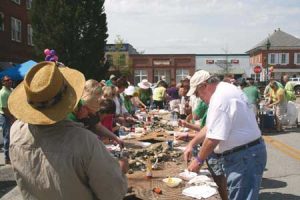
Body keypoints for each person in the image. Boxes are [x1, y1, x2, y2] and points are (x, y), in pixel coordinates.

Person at [8, 61, 128, 199]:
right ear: (69, 97)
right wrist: (120, 169)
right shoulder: (84, 142)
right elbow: (112, 194)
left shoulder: (16, 131)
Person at [187, 70, 267, 200]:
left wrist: (198, 161)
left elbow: (214, 137)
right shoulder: (224, 89)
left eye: (197, 93)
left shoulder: (220, 98)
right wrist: (192, 144)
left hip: (245, 157)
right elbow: (209, 127)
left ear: (204, 86)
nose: (198, 97)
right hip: (245, 154)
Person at [0, 76, 14, 164]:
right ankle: (6, 158)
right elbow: (4, 108)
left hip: (9, 115)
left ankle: (10, 156)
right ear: (3, 83)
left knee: (11, 136)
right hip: (5, 116)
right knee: (7, 137)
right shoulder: (3, 93)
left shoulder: (10, 90)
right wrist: (12, 118)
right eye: (7, 80)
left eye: (10, 79)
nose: (9, 81)